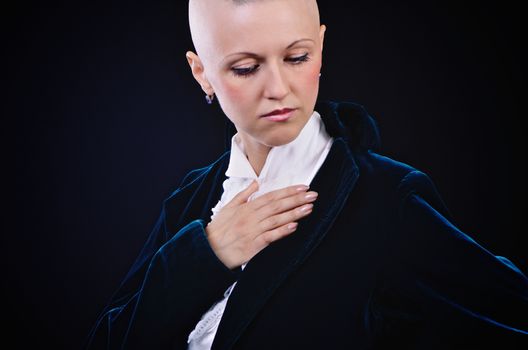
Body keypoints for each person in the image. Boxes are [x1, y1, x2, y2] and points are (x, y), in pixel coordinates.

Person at [85, 0, 528, 349]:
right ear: (201, 73)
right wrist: (207, 254)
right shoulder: (188, 202)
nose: (278, 88)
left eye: (297, 57)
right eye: (246, 67)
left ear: (320, 46)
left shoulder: (388, 200)